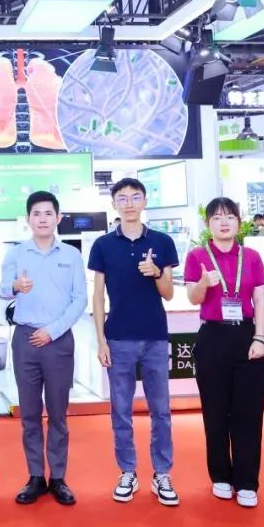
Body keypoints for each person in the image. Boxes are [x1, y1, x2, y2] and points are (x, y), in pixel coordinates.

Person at [89, 177, 180, 506]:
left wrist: (156, 272)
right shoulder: (103, 245)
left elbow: (168, 293)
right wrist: (101, 340)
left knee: (161, 411)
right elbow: (98, 296)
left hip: (155, 336)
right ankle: (127, 471)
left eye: (135, 197)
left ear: (144, 201)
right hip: (118, 338)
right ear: (114, 203)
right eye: (123, 198)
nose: (129, 203)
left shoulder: (162, 242)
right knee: (121, 411)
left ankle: (162, 473)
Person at [0, 191, 86, 507]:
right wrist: (14, 287)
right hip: (25, 339)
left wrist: (53, 330)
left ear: (58, 218)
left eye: (49, 213)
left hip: (58, 339)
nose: (43, 219)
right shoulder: (16, 253)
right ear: (28, 219)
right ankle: (35, 476)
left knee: (58, 413)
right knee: (30, 413)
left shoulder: (71, 255)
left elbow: (80, 299)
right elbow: (1, 290)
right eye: (36, 214)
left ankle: (58, 478)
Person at [183, 198, 264, 508]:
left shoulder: (252, 256)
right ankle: (220, 475)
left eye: (230, 217)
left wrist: (260, 338)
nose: (223, 222)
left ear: (238, 223)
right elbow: (193, 298)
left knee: (248, 412)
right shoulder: (196, 256)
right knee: (215, 410)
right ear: (208, 224)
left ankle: (247, 481)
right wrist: (204, 283)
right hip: (212, 337)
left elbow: (260, 300)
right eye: (217, 217)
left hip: (246, 336)